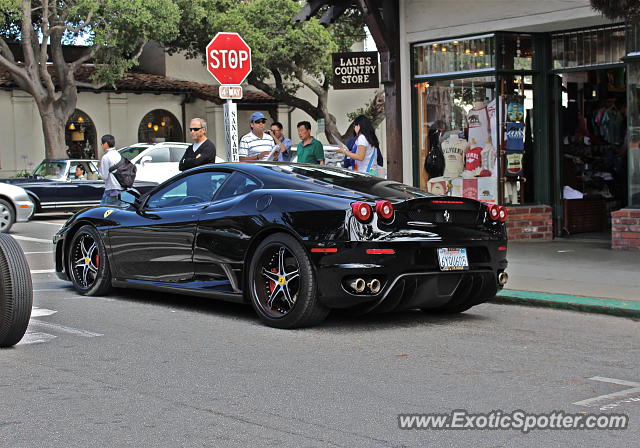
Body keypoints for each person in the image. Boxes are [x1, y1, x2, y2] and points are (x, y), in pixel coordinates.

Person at [98, 134, 125, 206]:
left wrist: (100, 168)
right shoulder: (119, 155)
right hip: (122, 189)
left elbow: (104, 176)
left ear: (106, 144)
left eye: (102, 144)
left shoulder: (106, 157)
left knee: (103, 213)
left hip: (111, 190)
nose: (101, 146)